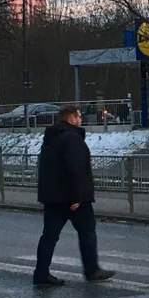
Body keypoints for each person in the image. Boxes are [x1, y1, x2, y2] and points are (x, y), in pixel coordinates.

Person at [33, 105, 114, 286]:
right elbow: (76, 169)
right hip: (73, 198)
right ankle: (92, 269)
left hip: (53, 197)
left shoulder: (51, 138)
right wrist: (77, 197)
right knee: (87, 231)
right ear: (71, 119)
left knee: (49, 236)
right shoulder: (72, 139)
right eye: (78, 116)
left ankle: (41, 273)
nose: (81, 119)